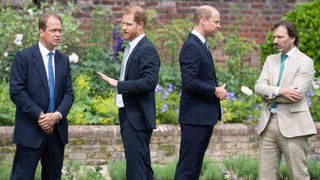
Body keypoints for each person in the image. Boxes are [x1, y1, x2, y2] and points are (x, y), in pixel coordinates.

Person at [97, 5, 160, 180]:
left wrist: (118, 84)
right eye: (122, 23)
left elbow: (150, 82)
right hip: (129, 114)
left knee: (136, 171)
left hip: (137, 117)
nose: (123, 28)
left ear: (140, 25)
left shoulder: (146, 48)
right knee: (143, 169)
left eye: (128, 24)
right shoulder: (131, 47)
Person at [9, 13, 74, 179]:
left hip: (56, 132)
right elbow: (17, 91)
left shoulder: (63, 60)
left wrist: (57, 116)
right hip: (30, 130)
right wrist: (41, 116)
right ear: (41, 31)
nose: (58, 34)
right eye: (53, 30)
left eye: (60, 30)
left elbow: (69, 93)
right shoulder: (24, 58)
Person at [255, 20, 316, 180]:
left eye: (280, 37)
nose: (275, 41)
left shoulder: (305, 62)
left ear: (292, 38)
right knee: (265, 176)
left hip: (294, 125)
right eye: (274, 37)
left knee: (298, 176)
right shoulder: (270, 59)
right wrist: (280, 90)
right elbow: (258, 87)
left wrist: (268, 94)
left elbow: (295, 95)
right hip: (267, 125)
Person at [174, 5, 227, 180]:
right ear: (203, 21)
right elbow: (189, 82)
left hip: (202, 118)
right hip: (194, 119)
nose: (219, 26)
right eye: (216, 21)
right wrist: (214, 91)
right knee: (187, 170)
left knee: (194, 169)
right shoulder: (191, 46)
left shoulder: (201, 45)